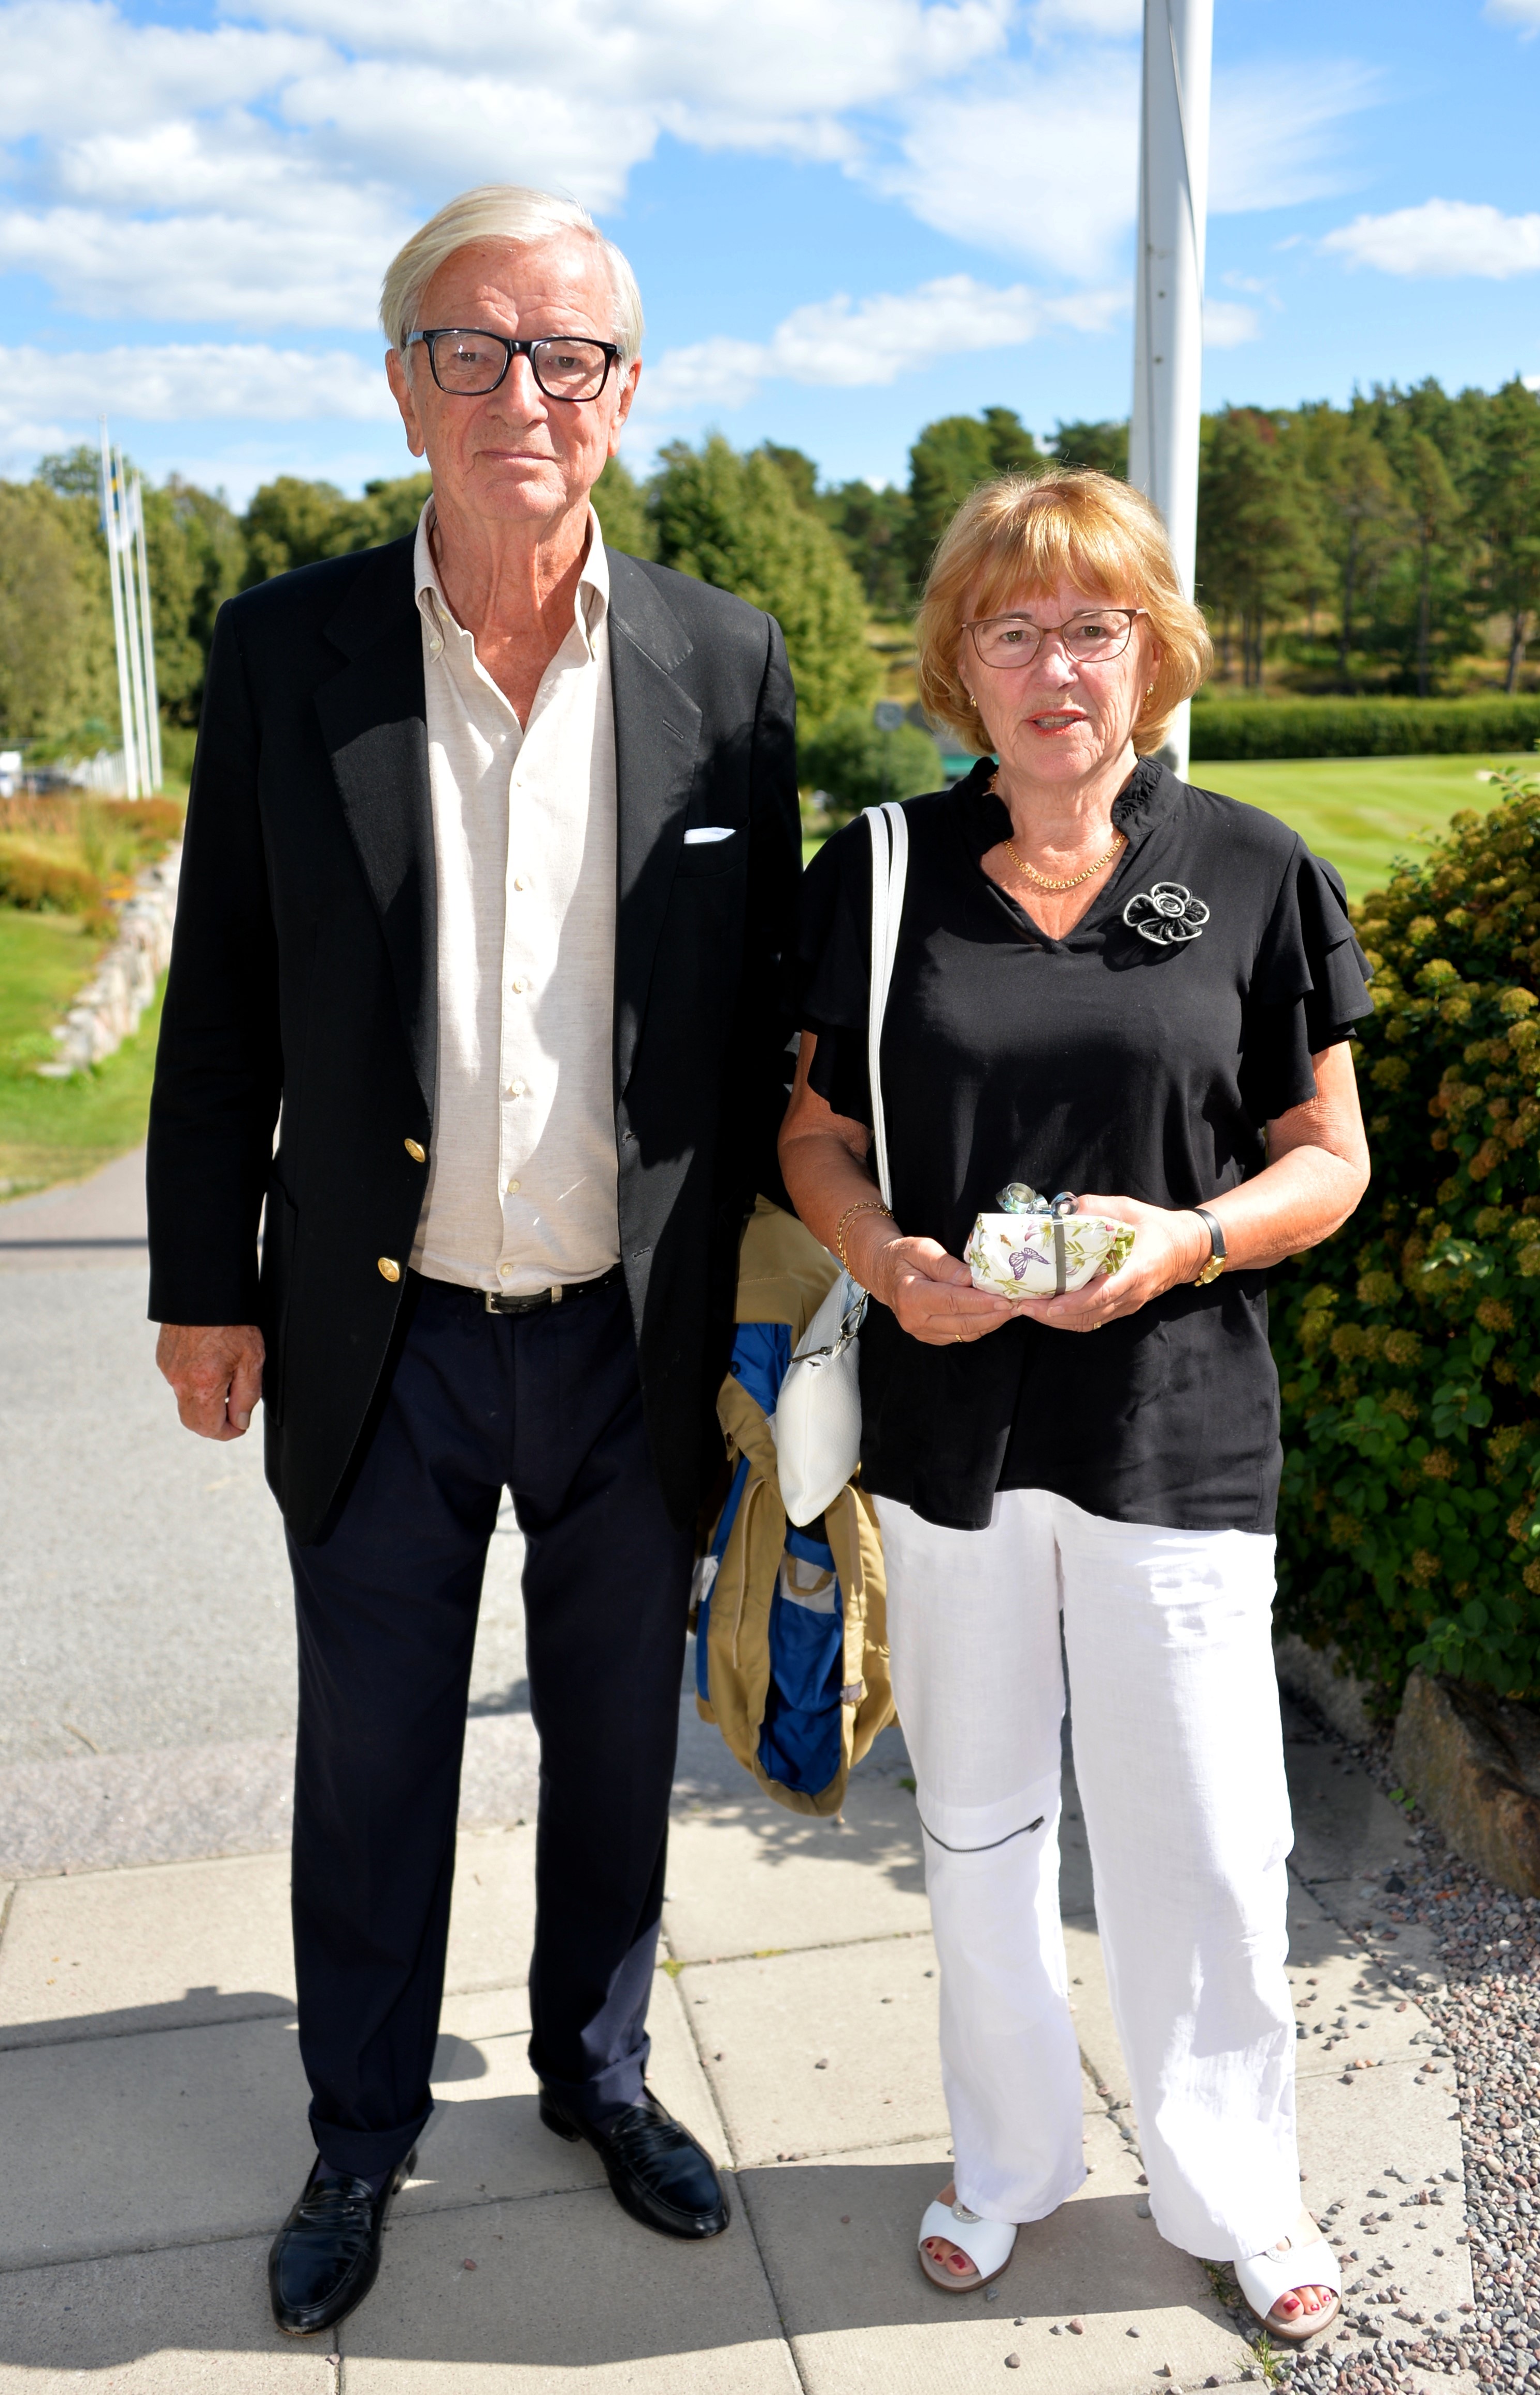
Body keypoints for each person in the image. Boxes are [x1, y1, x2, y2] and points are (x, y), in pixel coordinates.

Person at [148, 183, 800, 2339]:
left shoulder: (725, 658)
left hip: (630, 1331)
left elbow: (765, 1016)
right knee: (374, 1757)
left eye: (569, 352)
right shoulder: (285, 649)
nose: (526, 388)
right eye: (476, 346)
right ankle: (358, 2129)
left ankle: (597, 2072)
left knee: (616, 1742)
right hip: (382, 1329)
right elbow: (222, 998)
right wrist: (203, 1282)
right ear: (404, 382)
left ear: (626, 390)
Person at [779, 469, 1371, 2344]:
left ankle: (1237, 2188)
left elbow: (1329, 1159)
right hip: (951, 1432)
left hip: (1175, 1429)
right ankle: (1008, 2162)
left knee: (1206, 1833)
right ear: (959, 664)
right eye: (1014, 631)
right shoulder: (882, 871)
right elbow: (814, 1135)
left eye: (1094, 629)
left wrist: (1192, 1237)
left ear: (1153, 652)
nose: (1057, 669)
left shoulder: (1255, 869)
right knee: (979, 1824)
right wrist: (887, 1261)